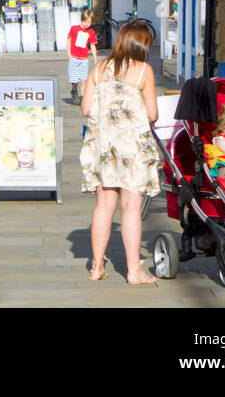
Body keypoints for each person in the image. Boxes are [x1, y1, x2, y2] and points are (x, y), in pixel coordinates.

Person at [79, 21, 160, 284]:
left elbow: (86, 107)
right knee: (131, 208)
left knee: (103, 206)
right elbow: (152, 114)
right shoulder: (142, 71)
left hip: (103, 146)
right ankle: (134, 270)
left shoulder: (99, 68)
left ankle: (96, 267)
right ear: (141, 45)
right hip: (133, 147)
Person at [66, 10, 97, 103]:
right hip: (74, 57)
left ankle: (84, 98)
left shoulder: (91, 32)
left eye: (90, 22)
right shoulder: (74, 29)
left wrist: (95, 59)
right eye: (87, 22)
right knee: (74, 79)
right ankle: (74, 90)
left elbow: (92, 45)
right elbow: (69, 40)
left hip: (84, 59)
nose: (88, 24)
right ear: (82, 20)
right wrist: (69, 53)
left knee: (84, 79)